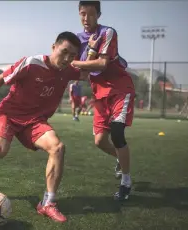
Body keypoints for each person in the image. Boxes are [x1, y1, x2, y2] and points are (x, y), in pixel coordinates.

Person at [0, 31, 97, 223]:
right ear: (54, 47)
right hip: (10, 115)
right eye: (64, 52)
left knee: (57, 148)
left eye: (72, 55)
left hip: (35, 121)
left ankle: (48, 203)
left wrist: (92, 49)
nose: (67, 58)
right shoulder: (31, 63)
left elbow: (86, 73)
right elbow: (1, 79)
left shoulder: (68, 69)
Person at [72, 1, 136, 201]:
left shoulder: (107, 33)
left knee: (117, 132)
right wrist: (84, 58)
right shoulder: (76, 40)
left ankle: (126, 182)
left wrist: (75, 62)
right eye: (83, 14)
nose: (86, 18)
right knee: (99, 141)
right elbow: (82, 76)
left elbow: (101, 62)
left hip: (119, 89)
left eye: (91, 14)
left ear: (98, 15)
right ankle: (119, 158)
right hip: (99, 94)